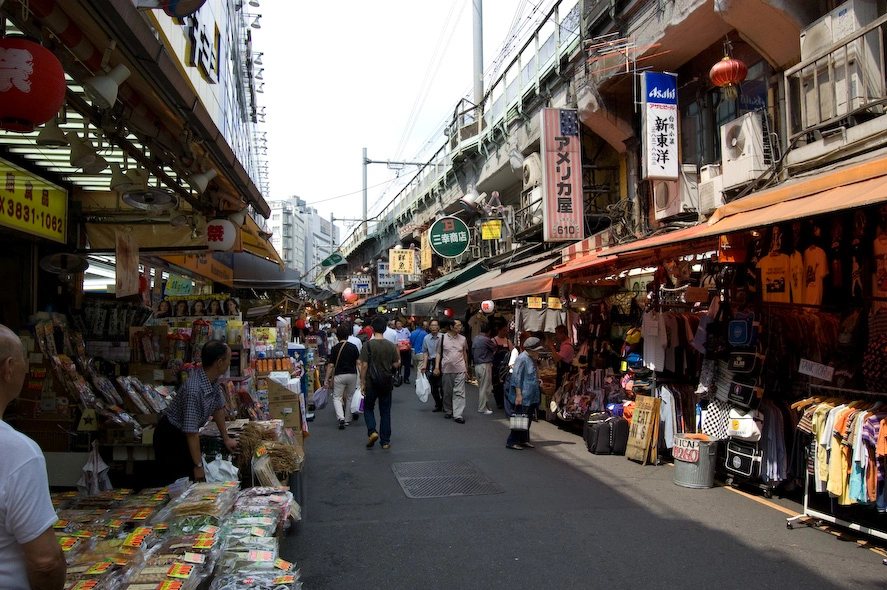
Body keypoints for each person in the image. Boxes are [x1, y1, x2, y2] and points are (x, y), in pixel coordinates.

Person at [0, 325, 66, 589]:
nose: (26, 368)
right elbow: (45, 562)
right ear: (8, 368)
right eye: (23, 359)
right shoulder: (19, 453)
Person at [154, 340, 238, 483]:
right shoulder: (193, 389)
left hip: (185, 433)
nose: (230, 362)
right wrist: (198, 465)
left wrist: (226, 438)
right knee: (178, 481)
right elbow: (191, 432)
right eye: (229, 359)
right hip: (171, 436)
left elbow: (218, 409)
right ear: (219, 362)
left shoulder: (212, 381)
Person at [358, 316, 400, 449]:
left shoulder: (367, 345)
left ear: (372, 329)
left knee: (368, 408)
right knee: (385, 411)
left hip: (371, 382)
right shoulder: (390, 345)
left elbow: (364, 365)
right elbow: (396, 364)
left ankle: (372, 431)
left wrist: (362, 382)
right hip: (386, 382)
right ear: (385, 328)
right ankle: (385, 441)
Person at [506, 336, 544, 450]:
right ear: (531, 350)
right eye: (537, 350)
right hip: (523, 395)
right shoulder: (522, 359)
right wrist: (519, 395)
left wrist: (538, 380)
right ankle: (511, 441)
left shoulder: (531, 358)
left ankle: (523, 439)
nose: (538, 352)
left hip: (530, 395)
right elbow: (516, 378)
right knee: (521, 418)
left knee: (528, 417)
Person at [325, 325, 360, 430]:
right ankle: (348, 419)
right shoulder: (353, 347)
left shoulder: (335, 348)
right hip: (352, 374)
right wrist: (362, 377)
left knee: (337, 397)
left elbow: (331, 365)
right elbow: (358, 363)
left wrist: (326, 379)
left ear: (337, 335)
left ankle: (341, 417)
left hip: (339, 375)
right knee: (350, 397)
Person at [435, 318, 468, 423]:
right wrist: (436, 367)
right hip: (447, 369)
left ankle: (458, 414)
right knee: (447, 392)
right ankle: (448, 409)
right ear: (451, 327)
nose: (460, 327)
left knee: (459, 392)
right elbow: (438, 353)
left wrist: (466, 368)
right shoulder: (442, 338)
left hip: (460, 368)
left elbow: (464, 353)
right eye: (458, 325)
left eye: (460, 325)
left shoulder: (463, 339)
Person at [472, 323, 496, 414]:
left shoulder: (475, 338)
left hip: (477, 364)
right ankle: (482, 407)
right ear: (489, 331)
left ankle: (485, 405)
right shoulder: (486, 340)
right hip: (485, 364)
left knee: (482, 386)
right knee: (485, 387)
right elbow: (494, 348)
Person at [421, 319, 444, 412]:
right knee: (433, 385)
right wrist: (424, 365)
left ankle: (444, 403)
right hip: (431, 362)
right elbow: (425, 352)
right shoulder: (426, 338)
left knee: (443, 385)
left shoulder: (443, 337)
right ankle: (438, 404)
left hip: (443, 362)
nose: (434, 327)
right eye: (432, 325)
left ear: (438, 327)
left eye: (435, 325)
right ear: (429, 327)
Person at [491, 323, 512, 409]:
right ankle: (498, 401)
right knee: (496, 384)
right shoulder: (493, 341)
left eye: (506, 331)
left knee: (505, 383)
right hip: (496, 366)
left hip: (505, 366)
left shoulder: (508, 341)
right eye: (503, 330)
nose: (505, 332)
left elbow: (511, 352)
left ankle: (504, 401)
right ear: (499, 330)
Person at [551, 325, 575, 390]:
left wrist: (552, 347)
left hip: (564, 373)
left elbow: (556, 359)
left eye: (557, 334)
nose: (556, 336)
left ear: (563, 334)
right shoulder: (564, 344)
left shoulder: (566, 347)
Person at [409, 320, 428, 389]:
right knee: (420, 368)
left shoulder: (412, 333)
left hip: (413, 352)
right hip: (421, 352)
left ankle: (418, 380)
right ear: (422, 326)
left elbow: (410, 343)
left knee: (416, 367)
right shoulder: (425, 334)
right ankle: (418, 383)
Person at [394, 319, 412, 384]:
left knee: (407, 365)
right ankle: (398, 377)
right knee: (399, 364)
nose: (399, 325)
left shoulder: (406, 330)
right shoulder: (394, 332)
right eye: (397, 324)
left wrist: (408, 344)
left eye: (399, 323)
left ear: (402, 324)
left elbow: (410, 337)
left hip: (406, 350)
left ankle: (406, 378)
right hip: (398, 350)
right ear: (395, 325)